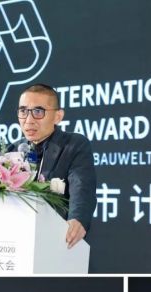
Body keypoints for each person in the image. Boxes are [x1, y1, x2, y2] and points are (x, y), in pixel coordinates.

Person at [9, 83, 97, 249]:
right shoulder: (13, 150)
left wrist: (77, 218)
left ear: (58, 116)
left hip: (57, 243)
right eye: (23, 111)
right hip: (18, 243)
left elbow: (81, 186)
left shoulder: (74, 145)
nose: (28, 120)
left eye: (38, 111)